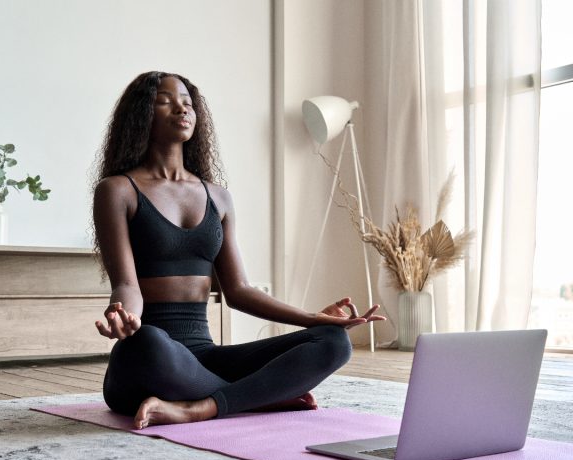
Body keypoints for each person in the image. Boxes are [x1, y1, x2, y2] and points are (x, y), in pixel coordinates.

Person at [92, 71, 385, 429]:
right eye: (165, 100)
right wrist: (123, 314)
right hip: (150, 361)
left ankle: (201, 407)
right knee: (148, 341)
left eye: (187, 101)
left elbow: (240, 291)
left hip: (205, 360)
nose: (181, 108)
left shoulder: (219, 197)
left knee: (333, 342)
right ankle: (257, 398)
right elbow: (127, 285)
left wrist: (314, 319)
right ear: (141, 114)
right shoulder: (118, 190)